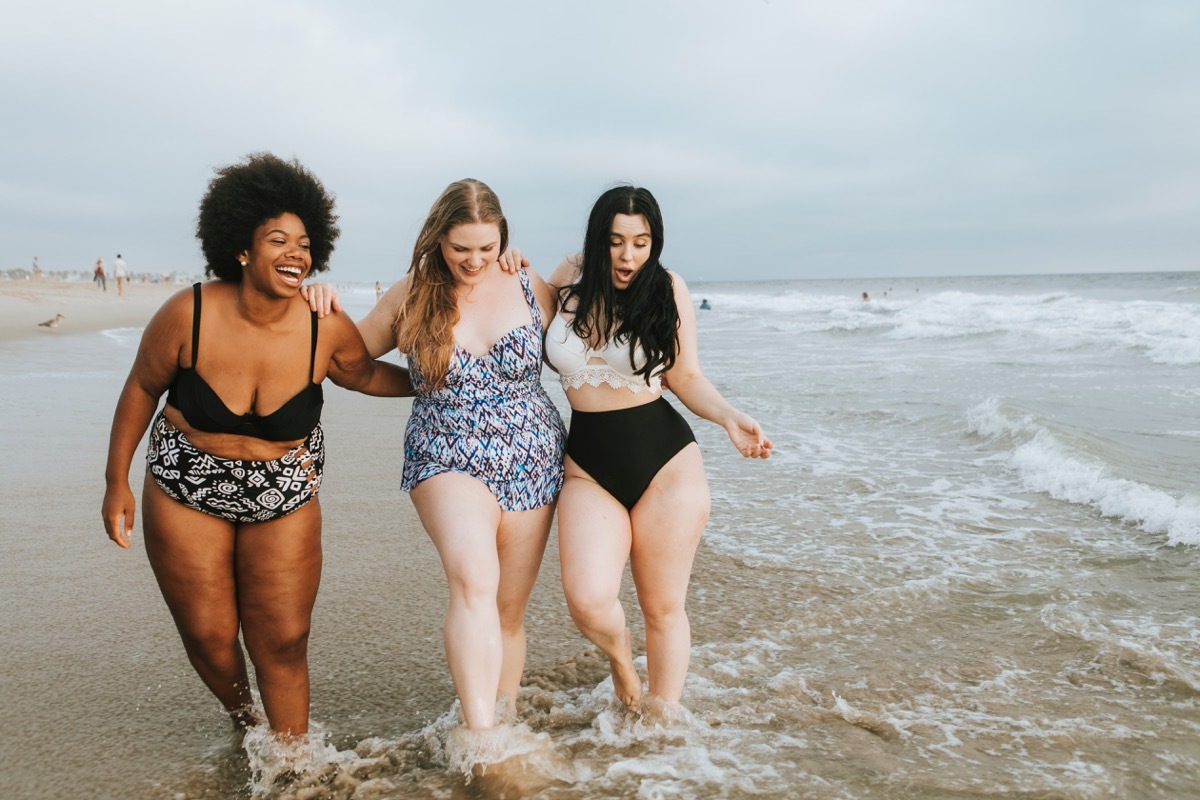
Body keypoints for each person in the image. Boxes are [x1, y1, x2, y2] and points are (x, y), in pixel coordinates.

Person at [101, 153, 413, 741]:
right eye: (278, 240)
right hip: (185, 485)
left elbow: (367, 375)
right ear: (242, 250)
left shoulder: (325, 327)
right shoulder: (187, 314)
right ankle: (249, 723)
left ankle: (291, 761)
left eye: (304, 243)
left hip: (284, 491)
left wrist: (437, 381)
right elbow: (141, 388)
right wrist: (116, 481)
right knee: (209, 637)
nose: (296, 252)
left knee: (284, 638)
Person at [542, 186, 771, 714]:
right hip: (587, 468)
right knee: (588, 598)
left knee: (663, 608)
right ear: (598, 238)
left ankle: (662, 725)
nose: (628, 256)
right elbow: (511, 297)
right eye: (617, 242)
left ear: (655, 242)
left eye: (641, 243)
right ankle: (623, 662)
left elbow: (685, 375)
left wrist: (729, 417)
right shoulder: (569, 278)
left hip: (665, 464)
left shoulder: (667, 288)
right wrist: (509, 259)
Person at [353, 179, 566, 732]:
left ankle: (506, 716)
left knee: (507, 612)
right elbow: (348, 360)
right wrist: (420, 386)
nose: (474, 260)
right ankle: (481, 740)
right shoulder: (412, 293)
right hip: (444, 450)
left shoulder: (528, 283)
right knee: (473, 578)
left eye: (486, 247)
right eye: (460, 248)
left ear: (503, 240)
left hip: (532, 455)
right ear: (437, 240)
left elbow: (589, 329)